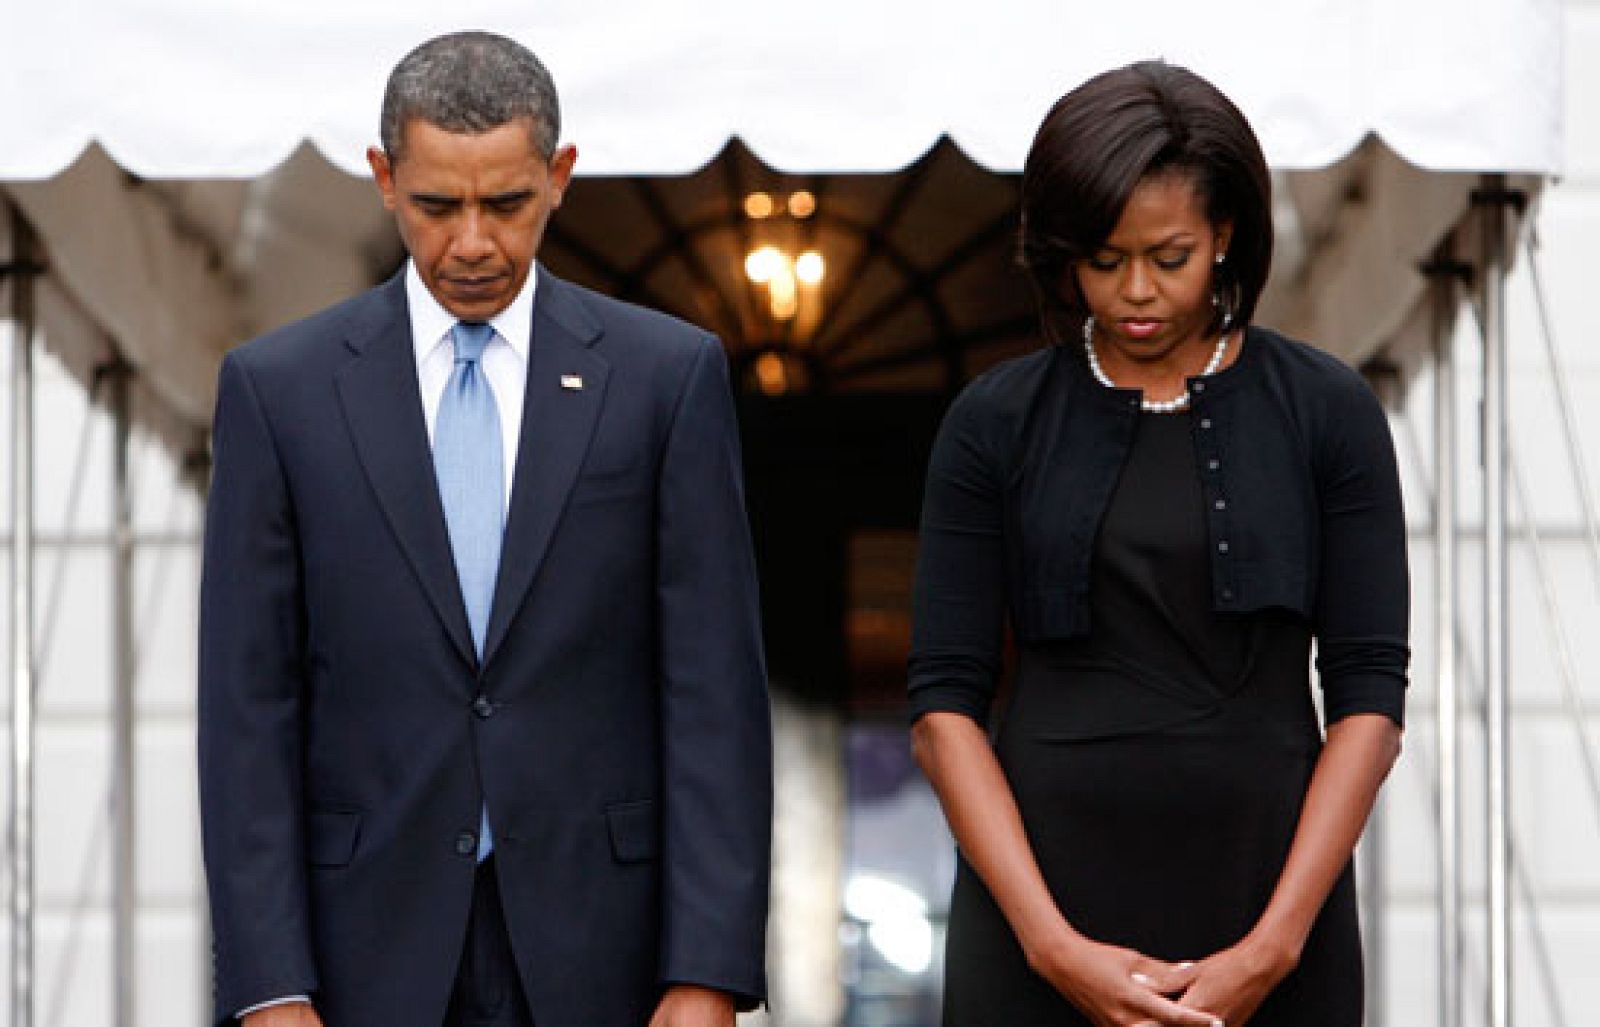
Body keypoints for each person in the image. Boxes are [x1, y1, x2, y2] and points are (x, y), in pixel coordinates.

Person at [198, 31, 771, 1027]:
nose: (472, 243)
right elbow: (248, 712)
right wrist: (268, 985)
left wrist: (708, 969)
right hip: (356, 951)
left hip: (609, 947)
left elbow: (713, 689)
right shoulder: (277, 392)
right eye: (436, 205)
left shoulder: (664, 379)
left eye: (506, 204)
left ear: (559, 177)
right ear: (383, 179)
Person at [908, 61, 1407, 1027]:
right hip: (1040, 917)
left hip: (1269, 903)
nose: (1135, 291)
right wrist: (1050, 947)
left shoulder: (1328, 411)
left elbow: (1370, 701)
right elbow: (942, 711)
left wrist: (1274, 948)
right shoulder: (992, 423)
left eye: (1169, 256)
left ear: (1225, 235)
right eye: (1102, 259)